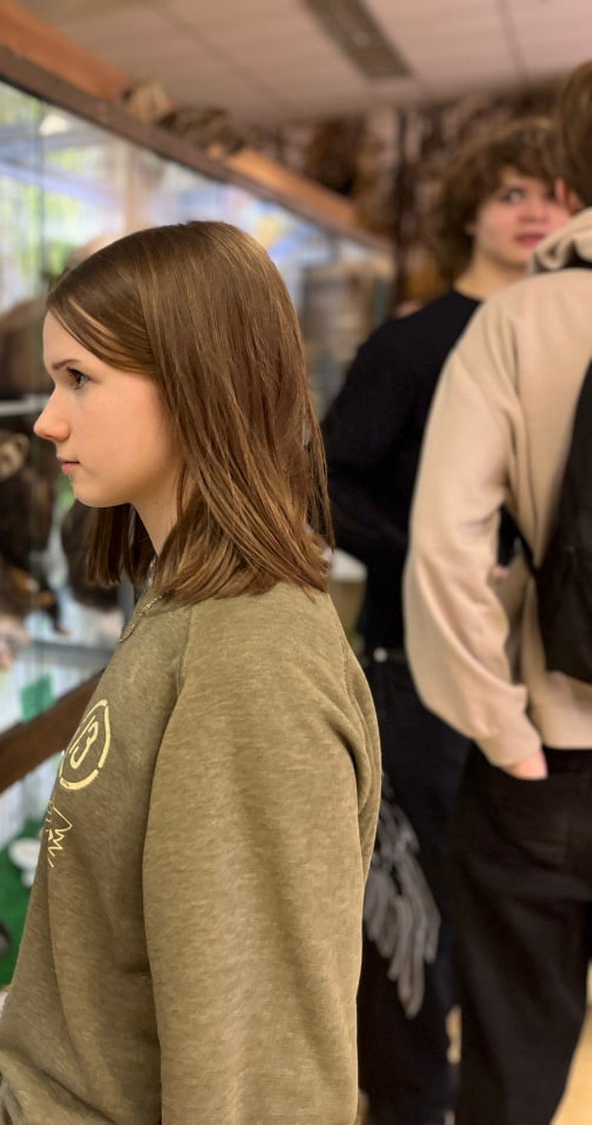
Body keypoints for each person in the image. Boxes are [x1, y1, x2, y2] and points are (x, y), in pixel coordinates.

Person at [0, 221, 381, 1124]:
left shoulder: (251, 663)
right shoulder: (188, 600)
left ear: (196, 378)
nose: (48, 419)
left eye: (79, 378)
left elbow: (258, 1080)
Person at [322, 118, 568, 1125]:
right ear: (470, 210)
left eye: (554, 193)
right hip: (412, 667)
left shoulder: (565, 330)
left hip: (537, 685)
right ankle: (409, 1101)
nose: (536, 212)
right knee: (408, 903)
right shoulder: (412, 344)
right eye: (513, 193)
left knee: (501, 916)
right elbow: (326, 482)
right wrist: (434, 559)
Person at [405, 61, 592, 1125]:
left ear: (570, 175)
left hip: (547, 764)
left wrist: (506, 733)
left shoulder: (518, 321)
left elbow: (445, 549)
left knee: (511, 1077)